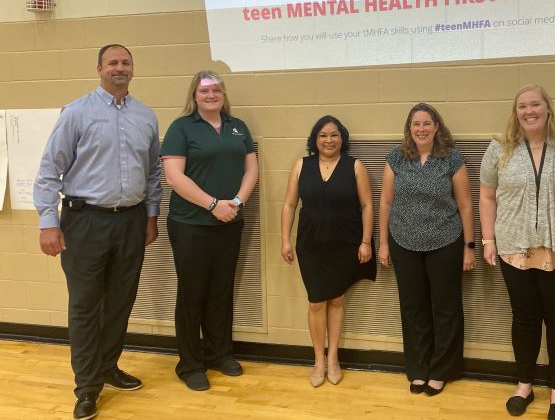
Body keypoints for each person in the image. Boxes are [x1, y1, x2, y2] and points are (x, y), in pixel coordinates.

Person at [34, 44, 162, 420]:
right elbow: (48, 171)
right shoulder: (76, 113)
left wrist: (151, 216)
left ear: (133, 70)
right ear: (99, 69)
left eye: (125, 63)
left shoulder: (146, 117)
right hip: (84, 221)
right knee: (86, 307)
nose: (119, 68)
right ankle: (87, 387)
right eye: (112, 63)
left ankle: (108, 366)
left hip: (131, 221)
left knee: (121, 301)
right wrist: (48, 223)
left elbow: (153, 172)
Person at [479, 85, 555, 420]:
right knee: (525, 320)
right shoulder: (500, 148)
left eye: (535, 104)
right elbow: (486, 196)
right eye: (522, 106)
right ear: (516, 112)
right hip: (515, 248)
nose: (529, 111)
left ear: (548, 108)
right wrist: (487, 240)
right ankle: (524, 385)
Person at [160, 70, 259, 391]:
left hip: (230, 221)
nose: (211, 95)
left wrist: (237, 202)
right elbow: (175, 177)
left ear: (223, 94)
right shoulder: (181, 128)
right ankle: (189, 364)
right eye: (204, 91)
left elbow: (251, 168)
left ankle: (219, 353)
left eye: (216, 89)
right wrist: (213, 204)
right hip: (190, 224)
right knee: (193, 293)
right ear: (194, 96)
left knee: (221, 289)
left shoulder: (237, 126)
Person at [378, 102, 475, 396]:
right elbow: (385, 202)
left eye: (427, 123)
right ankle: (419, 367)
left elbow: (466, 204)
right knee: (413, 307)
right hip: (403, 241)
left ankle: (442, 370)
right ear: (409, 128)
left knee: (446, 308)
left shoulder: (452, 159)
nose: (421, 129)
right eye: (416, 124)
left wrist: (470, 247)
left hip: (445, 241)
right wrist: (382, 243)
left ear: (436, 127)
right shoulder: (396, 158)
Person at [281, 115, 376, 387]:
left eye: (334, 134)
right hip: (310, 244)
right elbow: (289, 205)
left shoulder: (355, 166)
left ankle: (333, 358)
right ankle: (318, 360)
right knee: (315, 302)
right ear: (315, 139)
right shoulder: (301, 165)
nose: (329, 140)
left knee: (336, 300)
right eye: (323, 135)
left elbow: (368, 205)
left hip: (345, 243)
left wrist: (366, 241)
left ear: (342, 138)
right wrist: (285, 240)